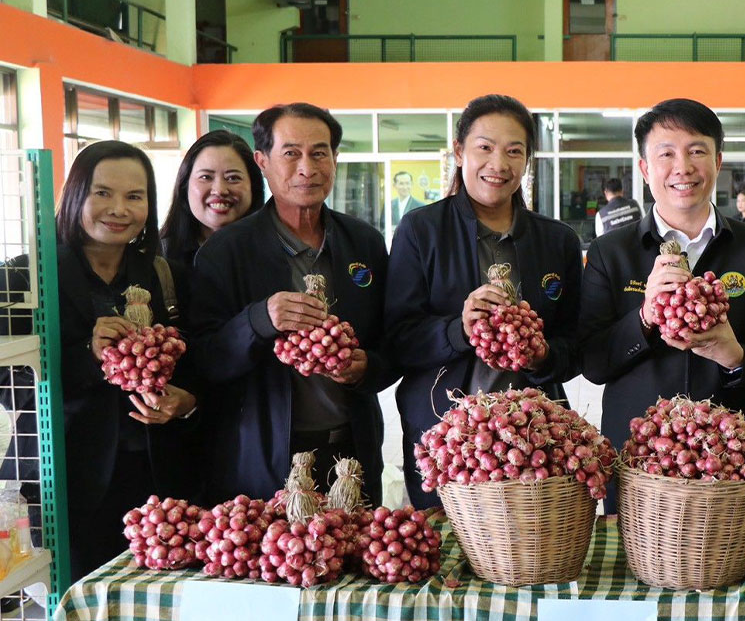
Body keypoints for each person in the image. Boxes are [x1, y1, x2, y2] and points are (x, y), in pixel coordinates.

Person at [578, 99, 745, 509]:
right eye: (666, 154)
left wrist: (734, 356)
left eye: (697, 151)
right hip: (638, 457)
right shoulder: (610, 252)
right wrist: (645, 317)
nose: (683, 167)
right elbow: (592, 362)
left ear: (718, 161)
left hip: (730, 457)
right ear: (645, 169)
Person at [0, 141, 201, 580]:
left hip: (158, 482)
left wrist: (185, 402)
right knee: (74, 597)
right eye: (103, 193)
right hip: (64, 481)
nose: (119, 209)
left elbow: (199, 366)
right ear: (76, 195)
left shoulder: (166, 275)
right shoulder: (24, 276)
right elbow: (8, 386)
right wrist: (89, 356)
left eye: (135, 196)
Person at [190, 103, 397, 505]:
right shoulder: (226, 251)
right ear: (262, 162)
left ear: (335, 159)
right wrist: (258, 320)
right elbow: (204, 360)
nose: (307, 168)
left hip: (352, 451)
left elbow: (393, 341)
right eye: (291, 153)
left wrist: (366, 368)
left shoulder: (364, 242)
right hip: (264, 459)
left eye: (319, 153)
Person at [385, 94, 582, 510]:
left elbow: (575, 343)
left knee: (531, 543)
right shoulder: (421, 230)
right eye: (485, 147)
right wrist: (459, 329)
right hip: (444, 434)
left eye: (514, 151)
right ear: (459, 152)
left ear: (527, 160)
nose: (499, 163)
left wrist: (543, 356)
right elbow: (398, 340)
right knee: (446, 542)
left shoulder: (557, 240)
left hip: (533, 440)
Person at [159, 130, 265, 266]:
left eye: (233, 178)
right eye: (206, 177)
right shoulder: (157, 257)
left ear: (253, 186)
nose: (219, 190)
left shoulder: (276, 252)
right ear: (185, 185)